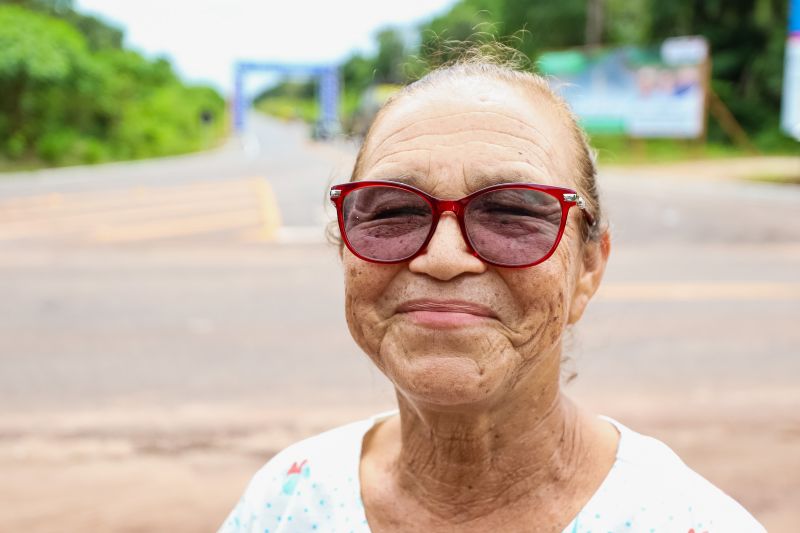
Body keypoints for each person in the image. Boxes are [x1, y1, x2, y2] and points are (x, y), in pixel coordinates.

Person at [218, 55, 765, 532]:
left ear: (589, 267)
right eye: (392, 210)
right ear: (344, 248)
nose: (443, 257)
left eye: (512, 212)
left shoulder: (685, 522)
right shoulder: (286, 504)